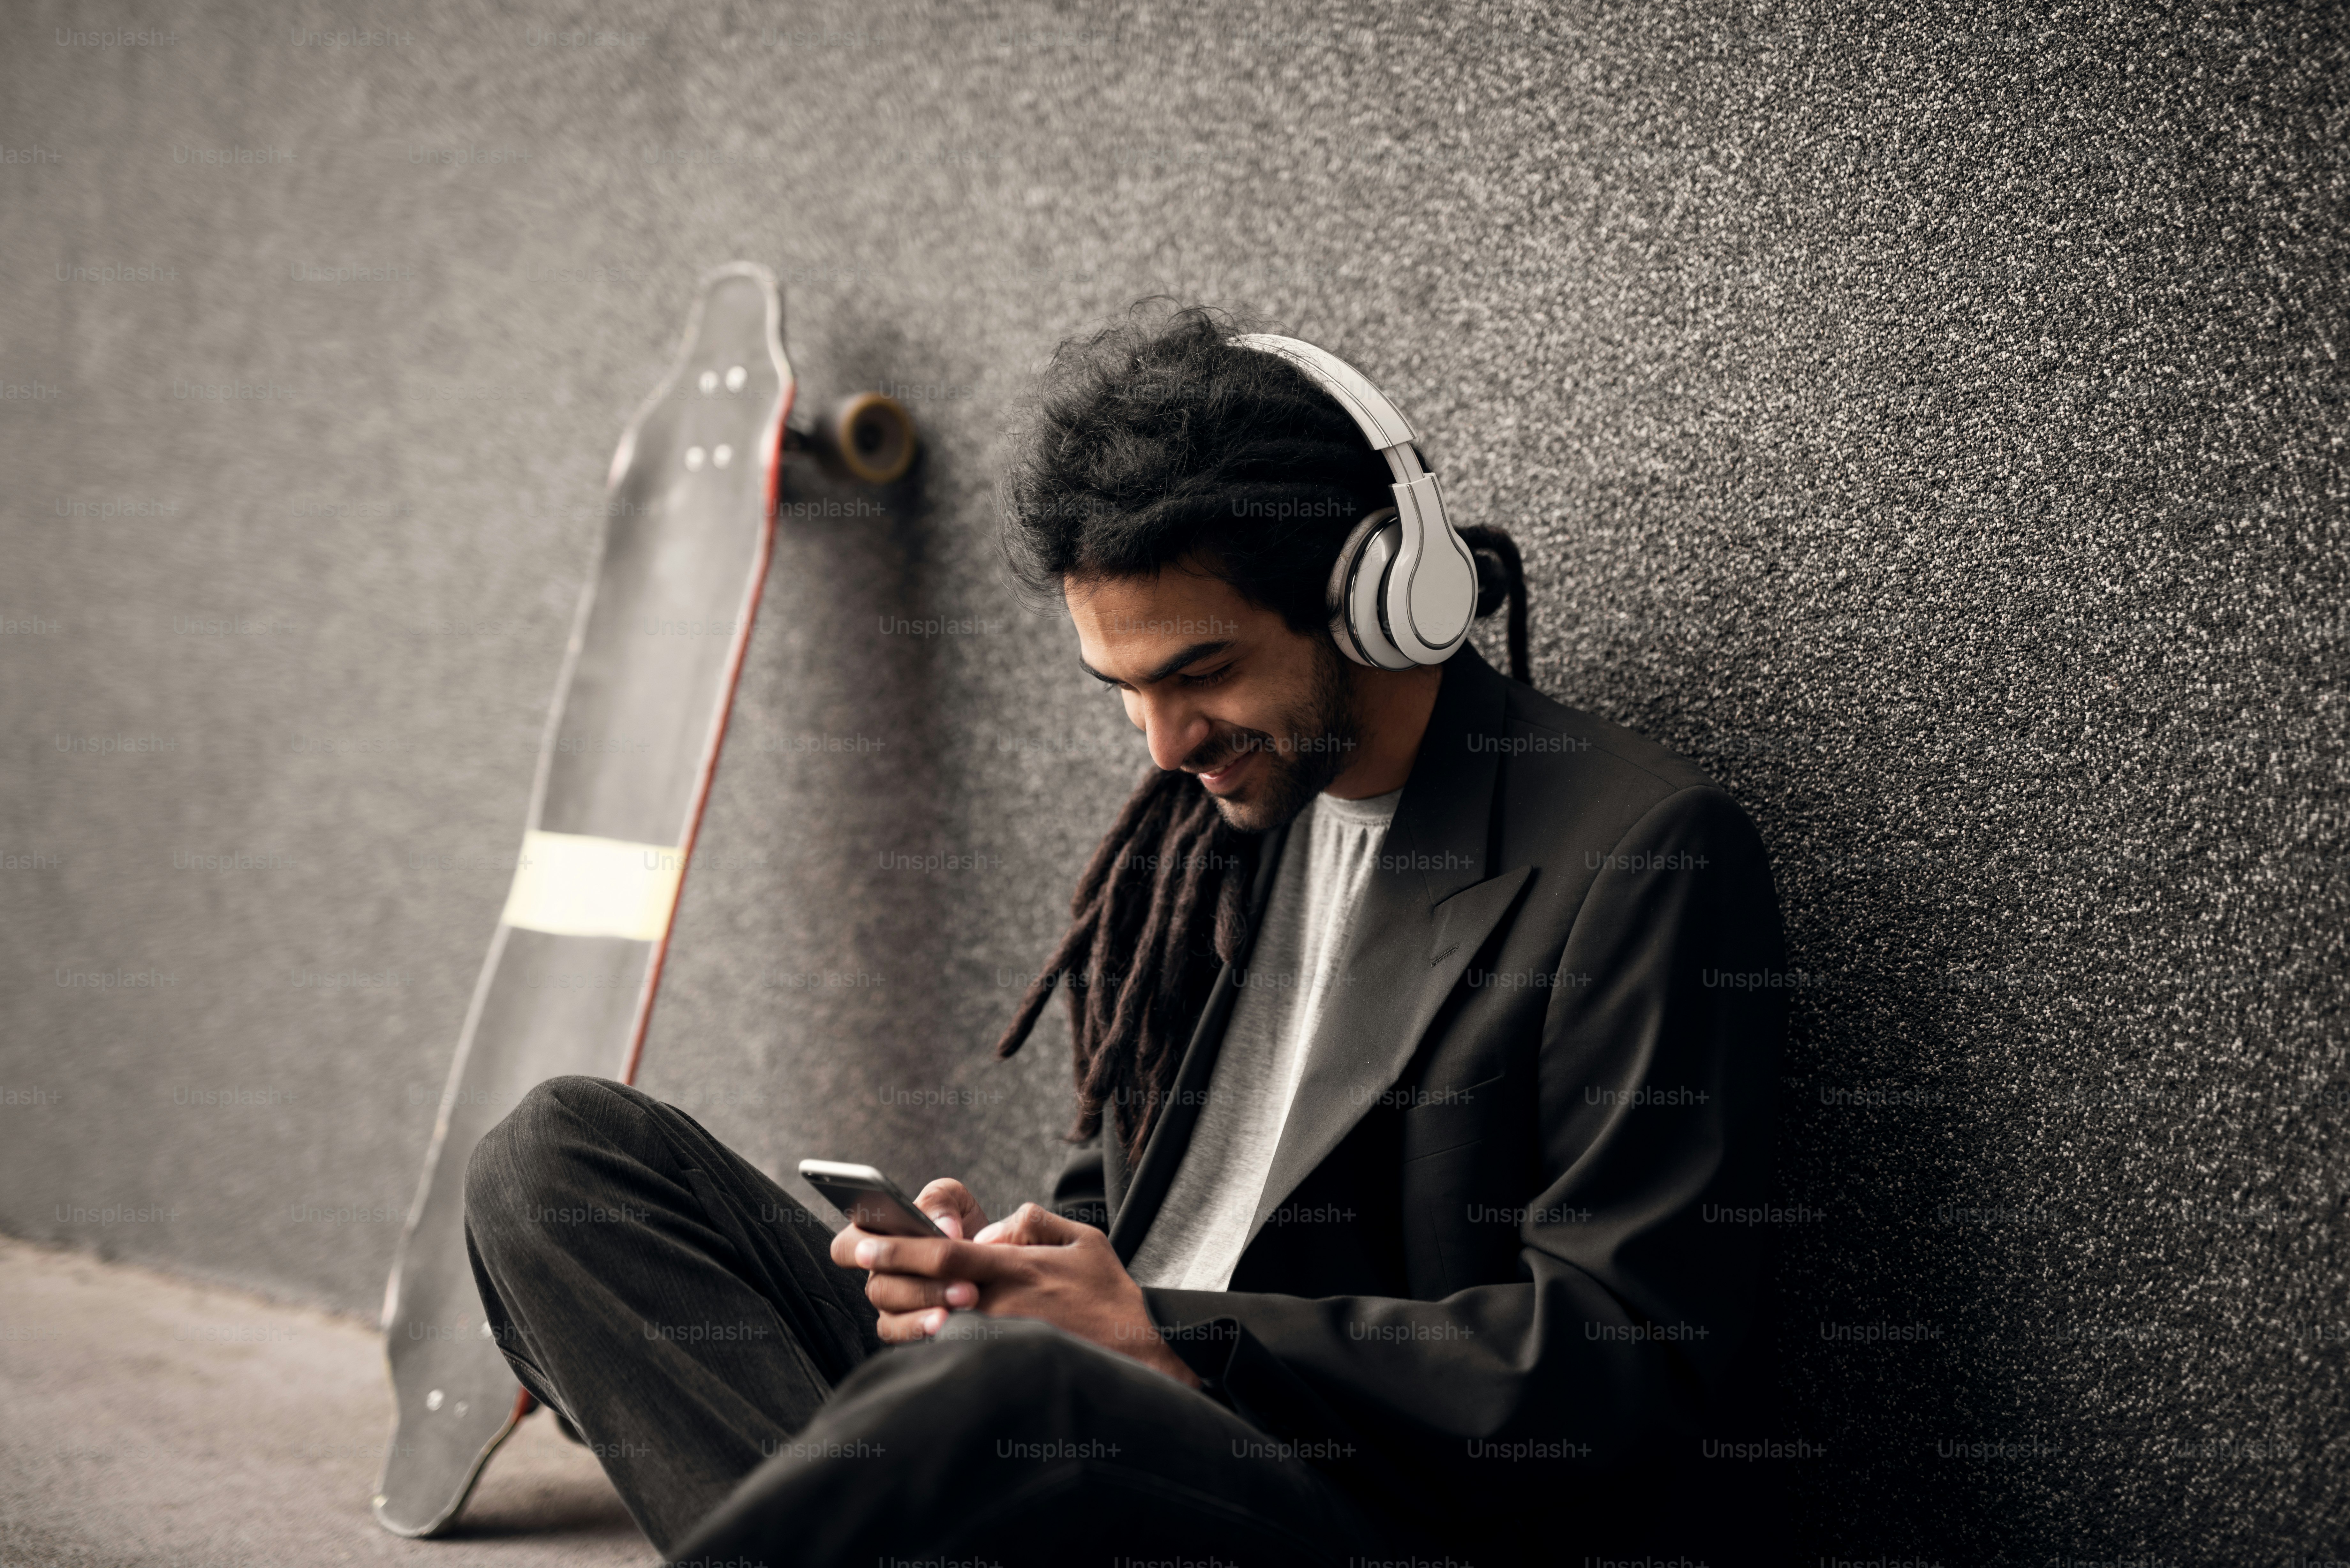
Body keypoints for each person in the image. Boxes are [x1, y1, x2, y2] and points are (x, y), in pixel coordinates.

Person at [463, 301, 1790, 1567]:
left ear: (1381, 593)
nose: (1164, 744)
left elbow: (1631, 1360)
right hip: (1070, 1443)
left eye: (1200, 673)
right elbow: (1141, 1197)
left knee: (1008, 1395)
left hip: (1338, 1502)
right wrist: (1000, 1270)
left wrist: (1168, 1337)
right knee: (558, 1160)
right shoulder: (1212, 826)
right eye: (1123, 690)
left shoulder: (1637, 852)